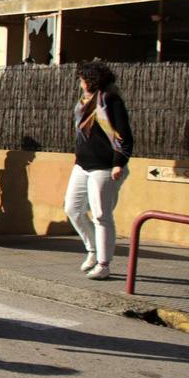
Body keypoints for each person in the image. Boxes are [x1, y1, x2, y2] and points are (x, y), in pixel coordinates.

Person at [64, 61, 134, 280]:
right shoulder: (84, 102)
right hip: (82, 164)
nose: (80, 82)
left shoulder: (110, 101)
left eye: (83, 78)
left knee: (101, 215)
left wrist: (118, 163)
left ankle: (104, 263)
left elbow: (125, 135)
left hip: (104, 167)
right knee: (72, 208)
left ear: (92, 81)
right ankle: (92, 249)